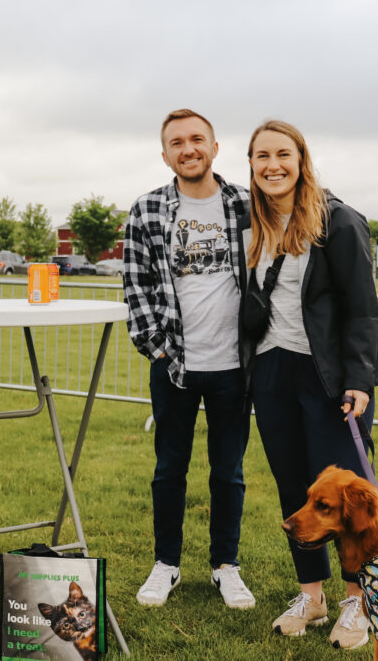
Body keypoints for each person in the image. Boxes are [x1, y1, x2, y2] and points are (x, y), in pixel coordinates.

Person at [243, 120, 378, 650]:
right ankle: (312, 596)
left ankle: (358, 601)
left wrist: (359, 379)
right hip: (273, 369)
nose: (272, 165)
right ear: (252, 165)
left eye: (282, 154)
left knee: (346, 499)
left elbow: (361, 309)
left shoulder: (339, 222)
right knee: (296, 492)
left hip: (330, 376)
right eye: (261, 156)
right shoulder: (255, 222)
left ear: (301, 159)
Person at [123, 109, 254, 610]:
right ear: (165, 155)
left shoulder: (245, 204)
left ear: (215, 148)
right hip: (174, 361)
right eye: (176, 142)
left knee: (229, 471)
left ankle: (227, 567)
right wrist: (156, 347)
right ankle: (166, 565)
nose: (188, 148)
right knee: (169, 468)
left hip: (234, 364)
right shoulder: (148, 209)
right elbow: (135, 286)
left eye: (197, 139)